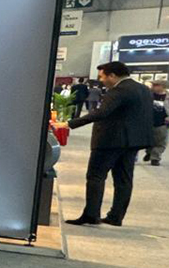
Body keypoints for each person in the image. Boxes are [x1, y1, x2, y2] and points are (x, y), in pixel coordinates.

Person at [66, 61, 154, 226]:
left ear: (112, 75)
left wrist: (70, 123)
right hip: (132, 142)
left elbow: (101, 113)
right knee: (124, 180)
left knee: (96, 176)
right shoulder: (143, 89)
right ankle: (116, 216)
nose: (101, 81)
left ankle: (91, 214)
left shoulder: (119, 90)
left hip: (110, 140)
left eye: (102, 77)